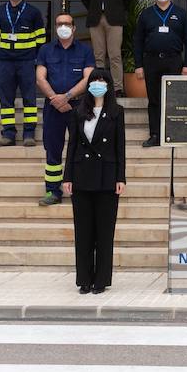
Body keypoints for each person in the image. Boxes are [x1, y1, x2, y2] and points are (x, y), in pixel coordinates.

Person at [63, 70, 127, 294]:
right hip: (81, 175)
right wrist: (67, 176)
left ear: (109, 85)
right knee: (83, 231)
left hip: (107, 176)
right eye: (94, 81)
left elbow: (120, 147)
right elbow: (71, 145)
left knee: (104, 231)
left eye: (102, 81)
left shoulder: (117, 112)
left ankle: (101, 280)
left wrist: (121, 177)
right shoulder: (78, 111)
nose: (98, 84)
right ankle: (84, 279)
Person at [36, 12, 94, 206]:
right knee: (53, 149)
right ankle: (53, 191)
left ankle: (81, 189)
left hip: (78, 106)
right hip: (53, 107)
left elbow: (89, 78)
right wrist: (55, 98)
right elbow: (40, 77)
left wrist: (67, 97)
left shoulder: (85, 51)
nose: (63, 27)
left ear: (74, 27)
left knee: (81, 148)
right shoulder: (46, 50)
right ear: (55, 27)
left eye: (67, 24)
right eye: (59, 23)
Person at [134, 0, 187, 147]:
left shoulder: (181, 14)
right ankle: (155, 135)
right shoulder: (146, 14)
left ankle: (173, 133)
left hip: (173, 61)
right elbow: (138, 41)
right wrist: (139, 65)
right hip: (151, 62)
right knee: (154, 100)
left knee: (174, 99)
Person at [0, 0, 46, 148]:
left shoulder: (33, 12)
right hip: (6, 61)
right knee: (6, 100)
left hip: (27, 61)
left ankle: (29, 134)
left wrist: (35, 59)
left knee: (29, 98)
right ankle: (8, 135)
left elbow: (41, 40)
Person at [80, 0, 133, 92]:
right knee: (98, 55)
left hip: (115, 20)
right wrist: (95, 9)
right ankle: (100, 86)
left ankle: (117, 88)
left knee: (115, 55)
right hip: (96, 18)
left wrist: (117, 10)